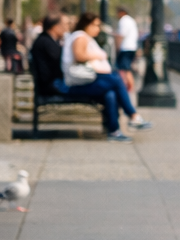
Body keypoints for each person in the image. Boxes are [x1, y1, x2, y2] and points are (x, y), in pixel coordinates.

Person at [61, 11, 153, 142]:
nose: (98, 29)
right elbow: (79, 56)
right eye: (95, 25)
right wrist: (99, 55)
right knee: (116, 80)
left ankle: (114, 131)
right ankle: (133, 116)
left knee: (110, 94)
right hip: (76, 84)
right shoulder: (80, 36)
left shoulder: (83, 37)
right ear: (87, 24)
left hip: (84, 81)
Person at [30, 14, 69, 96]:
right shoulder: (46, 43)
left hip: (49, 84)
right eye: (65, 24)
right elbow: (61, 64)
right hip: (51, 85)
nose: (67, 28)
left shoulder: (45, 40)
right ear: (55, 27)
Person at [114, 6, 140, 93]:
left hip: (126, 48)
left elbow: (121, 35)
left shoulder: (123, 20)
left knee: (125, 69)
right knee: (126, 68)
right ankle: (128, 88)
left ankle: (128, 89)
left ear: (122, 12)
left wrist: (117, 47)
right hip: (132, 47)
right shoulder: (131, 20)